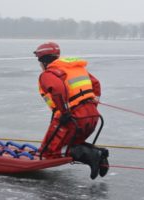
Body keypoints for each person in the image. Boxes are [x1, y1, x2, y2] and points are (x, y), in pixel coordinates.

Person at [33, 42, 109, 179]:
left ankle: (91, 155)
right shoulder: (75, 69)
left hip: (72, 117)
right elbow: (96, 84)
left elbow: (57, 89)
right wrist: (93, 104)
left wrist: (64, 111)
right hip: (92, 115)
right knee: (72, 143)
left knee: (49, 152)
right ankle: (100, 155)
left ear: (43, 60)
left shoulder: (48, 74)